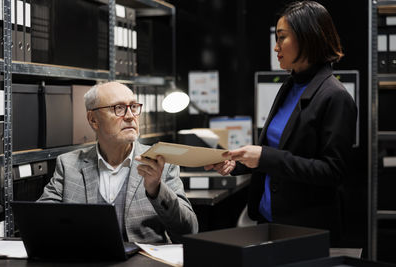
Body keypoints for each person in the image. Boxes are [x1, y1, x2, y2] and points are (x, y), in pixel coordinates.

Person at [205, 1, 357, 245]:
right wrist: (237, 163)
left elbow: (333, 172)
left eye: (282, 38)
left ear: (308, 38)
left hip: (305, 230)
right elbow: (279, 152)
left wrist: (264, 157)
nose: (276, 47)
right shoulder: (289, 86)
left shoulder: (336, 96)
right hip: (269, 223)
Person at [38, 81, 198, 243]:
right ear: (93, 119)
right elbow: (39, 220)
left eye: (133, 107)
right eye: (118, 108)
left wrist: (156, 190)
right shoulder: (68, 164)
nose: (130, 116)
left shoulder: (161, 163)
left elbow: (189, 230)